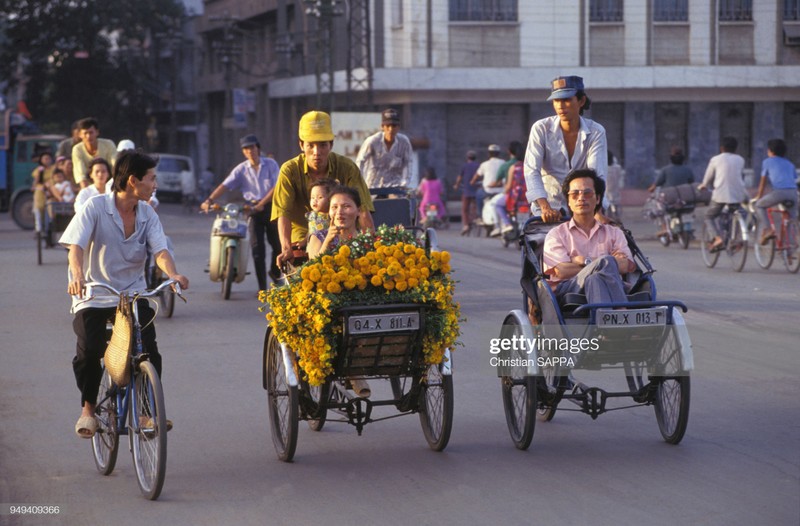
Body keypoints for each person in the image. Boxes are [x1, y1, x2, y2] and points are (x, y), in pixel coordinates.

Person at [59, 150, 189, 438]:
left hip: (132, 295)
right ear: (133, 181)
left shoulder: (147, 213)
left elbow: (161, 251)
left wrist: (172, 274)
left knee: (149, 352)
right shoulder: (95, 207)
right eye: (151, 178)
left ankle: (145, 414)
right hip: (94, 293)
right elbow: (75, 247)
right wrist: (78, 275)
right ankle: (88, 409)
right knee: (90, 350)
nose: (155, 184)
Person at [272, 110, 375, 266]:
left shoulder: (347, 167)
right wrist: (286, 248)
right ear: (301, 145)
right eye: (310, 146)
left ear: (331, 145)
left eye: (322, 145)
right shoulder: (289, 170)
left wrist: (371, 247)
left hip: (343, 229)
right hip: (303, 232)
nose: (316, 152)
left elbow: (362, 209)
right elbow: (283, 212)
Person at [305, 185, 372, 398]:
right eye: (335, 207)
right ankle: (354, 372)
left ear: (359, 210)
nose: (340, 212)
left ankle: (356, 367)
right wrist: (327, 241)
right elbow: (311, 271)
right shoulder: (318, 237)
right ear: (328, 212)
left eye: (346, 206)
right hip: (331, 301)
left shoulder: (367, 240)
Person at [543, 169, 635, 305]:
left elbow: (625, 265)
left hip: (605, 287)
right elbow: (561, 271)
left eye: (587, 193)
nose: (581, 198)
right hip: (570, 289)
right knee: (607, 262)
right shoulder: (556, 234)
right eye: (574, 194)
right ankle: (621, 311)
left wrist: (581, 261)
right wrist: (604, 262)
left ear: (597, 199)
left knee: (595, 278)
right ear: (568, 200)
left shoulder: (614, 232)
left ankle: (604, 321)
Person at [201, 134, 282, 290]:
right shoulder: (241, 169)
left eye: (252, 147)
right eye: (246, 148)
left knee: (278, 246)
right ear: (243, 152)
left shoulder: (271, 164)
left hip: (271, 208)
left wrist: (262, 203)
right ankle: (262, 288)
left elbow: (277, 187)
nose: (249, 151)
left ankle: (274, 271)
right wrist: (209, 200)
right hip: (251, 210)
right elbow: (224, 186)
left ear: (258, 148)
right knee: (257, 250)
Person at [523, 75, 608, 223]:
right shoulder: (541, 128)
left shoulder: (596, 131)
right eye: (556, 101)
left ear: (581, 101)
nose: (561, 106)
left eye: (567, 100)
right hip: (549, 205)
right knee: (545, 244)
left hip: (584, 204)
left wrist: (597, 211)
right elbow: (531, 170)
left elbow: (597, 174)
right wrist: (545, 207)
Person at [697, 136, 748, 251]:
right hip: (737, 195)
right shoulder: (740, 159)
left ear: (721, 148)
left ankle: (717, 238)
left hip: (720, 195)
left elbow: (707, 178)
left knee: (709, 216)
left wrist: (703, 185)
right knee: (740, 212)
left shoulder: (715, 159)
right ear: (736, 149)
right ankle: (737, 237)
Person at [753, 138, 798, 245]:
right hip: (793, 193)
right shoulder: (790, 164)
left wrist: (759, 195)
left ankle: (768, 229)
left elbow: (763, 181)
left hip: (779, 192)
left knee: (759, 205)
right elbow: (794, 178)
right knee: (791, 219)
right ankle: (790, 250)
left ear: (771, 151)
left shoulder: (767, 162)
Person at [356, 108, 414, 189]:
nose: (390, 129)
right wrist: (360, 183)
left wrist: (404, 183)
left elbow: (408, 164)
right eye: (388, 126)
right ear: (382, 127)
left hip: (395, 186)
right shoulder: (372, 141)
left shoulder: (404, 142)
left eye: (394, 126)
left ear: (398, 127)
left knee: (399, 201)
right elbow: (360, 161)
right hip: (372, 187)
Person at [471, 144, 505, 235]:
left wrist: (472, 182)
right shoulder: (503, 163)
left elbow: (476, 176)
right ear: (498, 154)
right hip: (501, 191)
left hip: (488, 191)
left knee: (478, 194)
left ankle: (480, 216)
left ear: (489, 154)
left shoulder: (484, 164)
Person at [71, 117, 117, 185]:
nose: (88, 136)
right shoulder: (77, 149)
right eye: (85, 133)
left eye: (91, 132)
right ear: (80, 135)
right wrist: (87, 192)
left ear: (97, 132)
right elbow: (81, 174)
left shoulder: (108, 144)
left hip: (110, 182)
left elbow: (115, 166)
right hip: (89, 185)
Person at [495, 151, 528, 234]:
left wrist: (504, 192)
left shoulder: (513, 167)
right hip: (528, 197)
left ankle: (507, 224)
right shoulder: (530, 167)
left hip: (515, 197)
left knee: (498, 204)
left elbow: (509, 186)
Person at [452, 150, 481, 235]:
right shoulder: (478, 165)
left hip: (467, 190)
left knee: (465, 209)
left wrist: (456, 185)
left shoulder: (464, 166)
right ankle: (475, 219)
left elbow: (460, 177)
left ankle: (466, 225)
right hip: (476, 189)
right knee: (474, 207)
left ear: (467, 158)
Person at [31, 151, 55, 233]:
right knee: (38, 207)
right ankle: (38, 228)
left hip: (52, 190)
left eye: (48, 158)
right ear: (41, 160)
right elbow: (35, 182)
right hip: (41, 191)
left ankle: (50, 224)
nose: (46, 160)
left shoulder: (54, 168)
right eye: (44, 159)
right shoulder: (38, 170)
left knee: (50, 208)